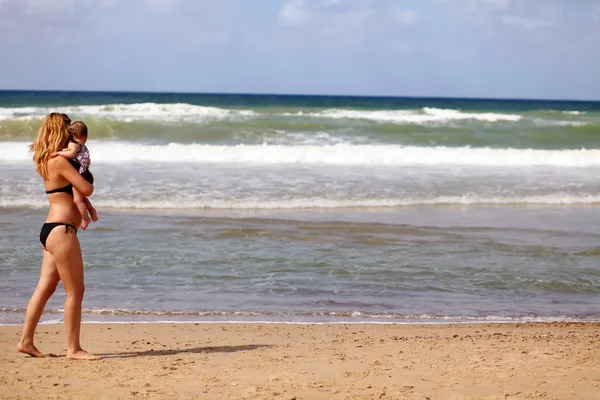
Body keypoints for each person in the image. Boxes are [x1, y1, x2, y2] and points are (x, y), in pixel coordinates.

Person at [18, 112, 100, 360]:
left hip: (50, 230)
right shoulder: (60, 161)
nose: (69, 132)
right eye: (66, 128)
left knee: (45, 287)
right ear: (59, 131)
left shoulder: (46, 159)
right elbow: (87, 189)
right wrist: (85, 171)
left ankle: (26, 341)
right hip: (62, 230)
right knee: (76, 291)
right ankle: (73, 349)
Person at [51, 121, 98, 229]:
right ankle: (92, 210)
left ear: (72, 135)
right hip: (87, 174)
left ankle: (86, 218)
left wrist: (58, 153)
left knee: (77, 200)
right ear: (85, 137)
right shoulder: (84, 147)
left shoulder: (73, 145)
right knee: (81, 198)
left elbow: (71, 153)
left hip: (81, 175)